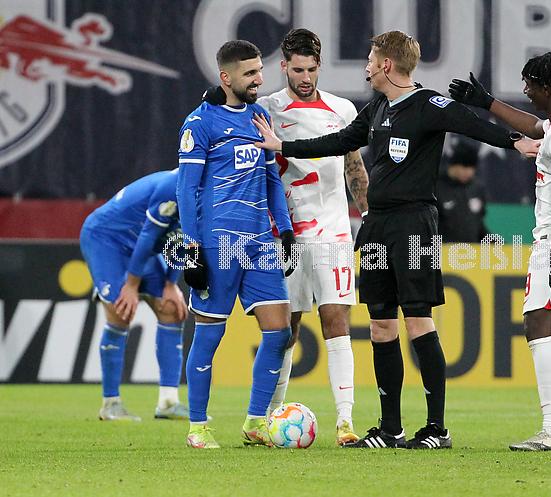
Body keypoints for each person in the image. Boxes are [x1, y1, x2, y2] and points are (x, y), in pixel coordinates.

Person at [251, 30, 540, 449]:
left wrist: (517, 142)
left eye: (371, 60)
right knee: (381, 323)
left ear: (386, 65)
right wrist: (284, 145)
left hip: (414, 224)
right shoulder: (377, 108)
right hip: (377, 226)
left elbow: (474, 126)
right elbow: (338, 142)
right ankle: (391, 429)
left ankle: (436, 429)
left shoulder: (429, 104)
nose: (366, 67)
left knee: (418, 320)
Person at [204, 28, 370, 445]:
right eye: (297, 70)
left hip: (333, 230)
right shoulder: (266, 109)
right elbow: (226, 114)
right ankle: (265, 419)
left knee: (336, 320)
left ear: (320, 66)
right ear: (284, 67)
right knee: (286, 328)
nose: (305, 77)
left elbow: (354, 167)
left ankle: (345, 422)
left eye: (312, 69)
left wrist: (367, 215)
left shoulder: (343, 109)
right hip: (285, 234)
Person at [449, 53, 551, 452]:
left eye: (530, 84)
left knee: (538, 323)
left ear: (547, 87)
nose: (526, 90)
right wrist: (487, 102)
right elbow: (534, 126)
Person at [177, 40, 295, 449]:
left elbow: (271, 179)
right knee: (209, 336)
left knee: (279, 332)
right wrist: (191, 249)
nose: (259, 79)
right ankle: (197, 426)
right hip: (218, 244)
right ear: (226, 77)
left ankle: (255, 422)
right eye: (250, 73)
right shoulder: (200, 123)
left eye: (259, 70)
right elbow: (186, 190)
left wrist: (285, 230)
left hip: (260, 242)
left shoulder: (260, 117)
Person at [80, 169, 189, 422]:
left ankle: (168, 402)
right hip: (107, 239)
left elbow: (186, 238)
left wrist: (171, 283)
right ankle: (110, 403)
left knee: (171, 309)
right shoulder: (173, 185)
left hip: (142, 246)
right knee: (121, 312)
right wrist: (131, 285)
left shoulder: (211, 188)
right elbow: (149, 235)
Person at [436, 139, 490, 243]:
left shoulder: (476, 189)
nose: (469, 172)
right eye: (464, 167)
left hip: (470, 251)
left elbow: (478, 226)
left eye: (472, 167)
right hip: (442, 250)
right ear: (453, 165)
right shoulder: (435, 187)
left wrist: (499, 245)